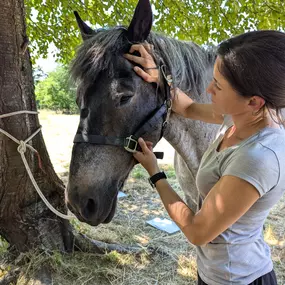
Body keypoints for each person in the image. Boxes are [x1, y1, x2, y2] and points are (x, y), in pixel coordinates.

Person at [124, 30, 285, 285]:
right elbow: (187, 107)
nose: (208, 88)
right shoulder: (238, 117)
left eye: (218, 85)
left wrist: (155, 173)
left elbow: (198, 231)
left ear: (254, 101)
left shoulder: (258, 158)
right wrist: (159, 76)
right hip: (216, 272)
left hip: (237, 279)